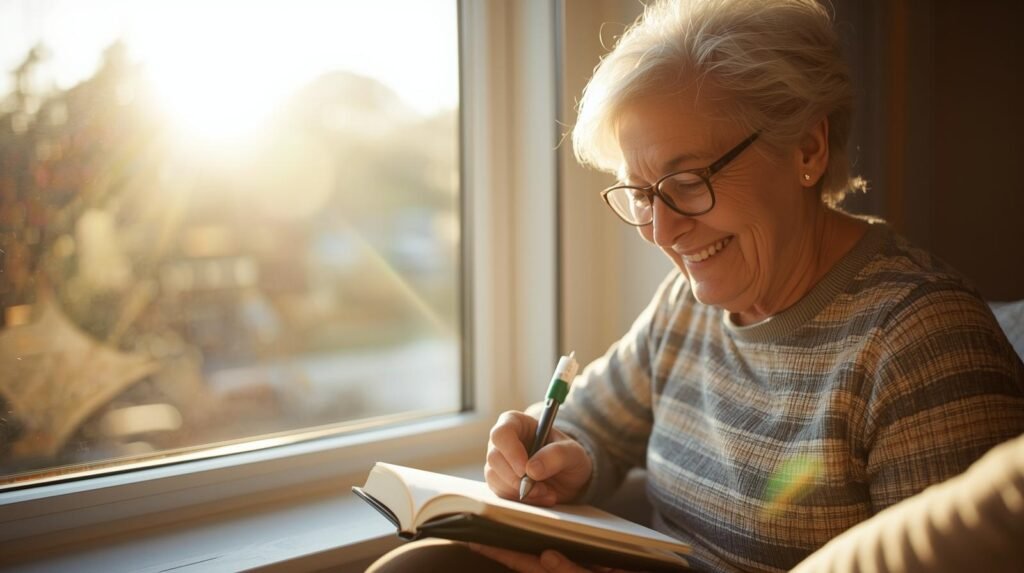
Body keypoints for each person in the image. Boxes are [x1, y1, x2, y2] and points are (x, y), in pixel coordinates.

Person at [367, 0, 1024, 571]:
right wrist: (554, 454)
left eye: (687, 182)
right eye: (643, 194)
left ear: (807, 149)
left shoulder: (923, 345)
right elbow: (589, 425)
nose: (663, 229)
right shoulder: (688, 304)